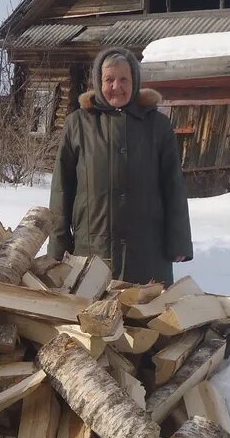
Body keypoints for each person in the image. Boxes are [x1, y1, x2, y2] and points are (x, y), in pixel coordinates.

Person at [48, 47, 193, 286]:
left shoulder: (157, 126)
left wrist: (179, 242)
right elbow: (61, 189)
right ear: (98, 81)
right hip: (92, 251)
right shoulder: (78, 124)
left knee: (146, 319)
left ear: (135, 81)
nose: (117, 86)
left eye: (124, 79)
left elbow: (173, 187)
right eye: (109, 79)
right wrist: (58, 246)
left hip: (147, 255)